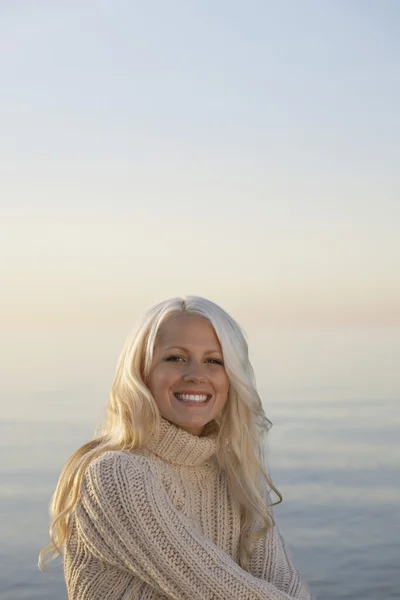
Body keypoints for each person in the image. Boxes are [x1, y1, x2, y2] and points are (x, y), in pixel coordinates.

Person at [39, 296, 312, 600]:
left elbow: (289, 590)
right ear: (142, 373)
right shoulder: (116, 474)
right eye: (176, 358)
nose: (196, 374)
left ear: (231, 378)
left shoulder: (235, 475)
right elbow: (224, 592)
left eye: (214, 361)